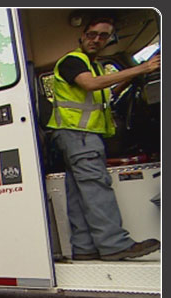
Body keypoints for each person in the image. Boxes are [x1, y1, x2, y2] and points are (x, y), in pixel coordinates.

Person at [46, 16, 160, 261]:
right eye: (92, 34)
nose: (96, 40)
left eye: (103, 36)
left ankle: (85, 248)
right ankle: (114, 244)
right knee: (97, 188)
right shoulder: (73, 61)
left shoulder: (92, 65)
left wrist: (128, 79)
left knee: (78, 193)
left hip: (73, 136)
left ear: (110, 39)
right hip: (80, 136)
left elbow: (103, 93)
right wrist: (143, 68)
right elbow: (90, 85)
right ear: (82, 35)